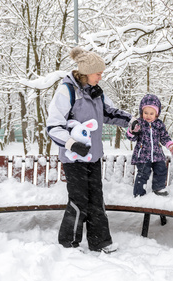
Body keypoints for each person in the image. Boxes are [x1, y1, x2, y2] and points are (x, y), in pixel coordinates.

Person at [46, 47, 132, 253]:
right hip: (74, 157)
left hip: (93, 156)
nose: (101, 76)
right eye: (98, 73)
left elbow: (109, 113)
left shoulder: (96, 93)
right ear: (85, 72)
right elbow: (53, 125)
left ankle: (100, 241)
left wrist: (132, 121)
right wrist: (70, 143)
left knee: (96, 198)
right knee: (79, 200)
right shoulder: (66, 91)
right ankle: (69, 243)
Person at [126, 94, 173, 197]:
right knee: (143, 173)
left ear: (157, 113)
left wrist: (171, 146)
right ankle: (139, 192)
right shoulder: (139, 123)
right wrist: (132, 131)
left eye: (151, 113)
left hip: (157, 154)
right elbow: (132, 138)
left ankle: (158, 188)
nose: (148, 115)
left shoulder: (159, 124)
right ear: (142, 112)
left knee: (161, 169)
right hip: (143, 155)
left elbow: (164, 137)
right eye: (146, 113)